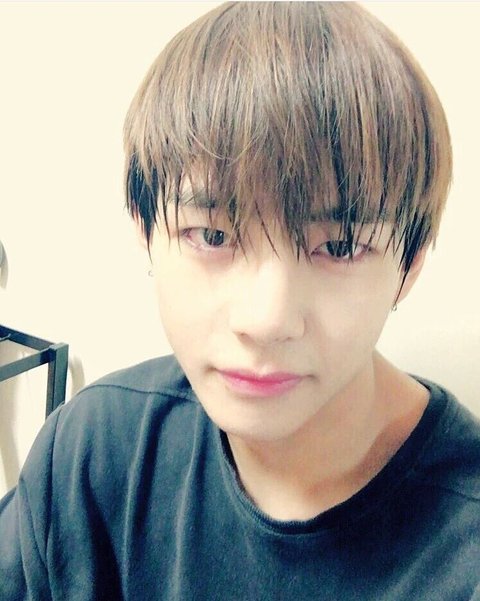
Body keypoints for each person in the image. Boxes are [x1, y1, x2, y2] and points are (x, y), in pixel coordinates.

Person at [1, 2, 479, 599]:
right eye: (213, 236)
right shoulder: (92, 454)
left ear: (409, 266)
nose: (266, 319)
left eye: (339, 245)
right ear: (146, 232)